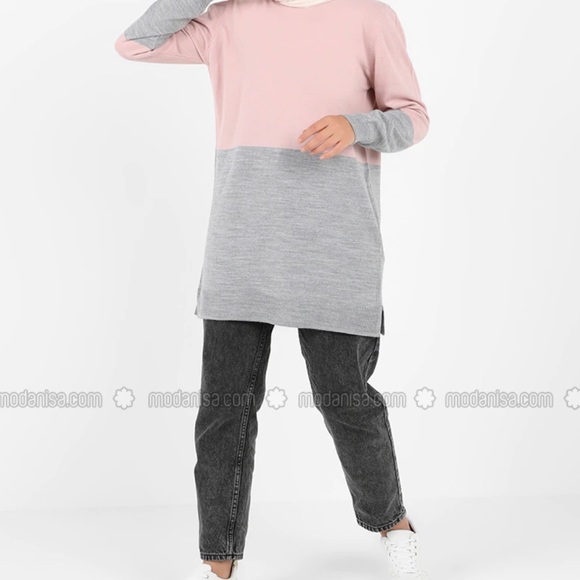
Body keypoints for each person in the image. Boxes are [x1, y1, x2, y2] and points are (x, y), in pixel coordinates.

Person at [115, 0, 430, 578]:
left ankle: (392, 521)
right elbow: (134, 44)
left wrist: (356, 126)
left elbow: (413, 118)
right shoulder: (227, 18)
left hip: (336, 244)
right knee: (224, 408)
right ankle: (219, 558)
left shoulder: (367, 16)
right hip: (242, 242)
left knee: (344, 397)